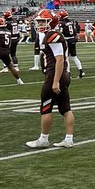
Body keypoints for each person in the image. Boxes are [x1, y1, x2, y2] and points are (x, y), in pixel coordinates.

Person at [26, 9, 75, 148]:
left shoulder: (52, 35)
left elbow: (59, 60)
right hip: (61, 75)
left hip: (55, 75)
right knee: (65, 108)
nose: (40, 23)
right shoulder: (49, 35)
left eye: (43, 21)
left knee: (46, 108)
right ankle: (69, 139)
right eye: (39, 21)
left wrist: (55, 82)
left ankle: (43, 139)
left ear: (51, 22)